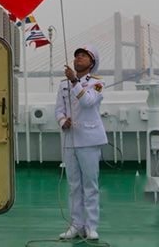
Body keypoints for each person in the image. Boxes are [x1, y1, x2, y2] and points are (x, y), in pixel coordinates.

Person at [55, 44, 106, 241]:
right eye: (77, 56)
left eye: (83, 56)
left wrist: (75, 81)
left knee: (90, 185)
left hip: (89, 140)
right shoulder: (63, 84)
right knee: (74, 185)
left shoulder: (97, 83)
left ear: (92, 63)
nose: (78, 58)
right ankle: (76, 225)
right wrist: (63, 121)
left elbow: (88, 102)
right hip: (70, 140)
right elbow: (59, 109)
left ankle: (91, 226)